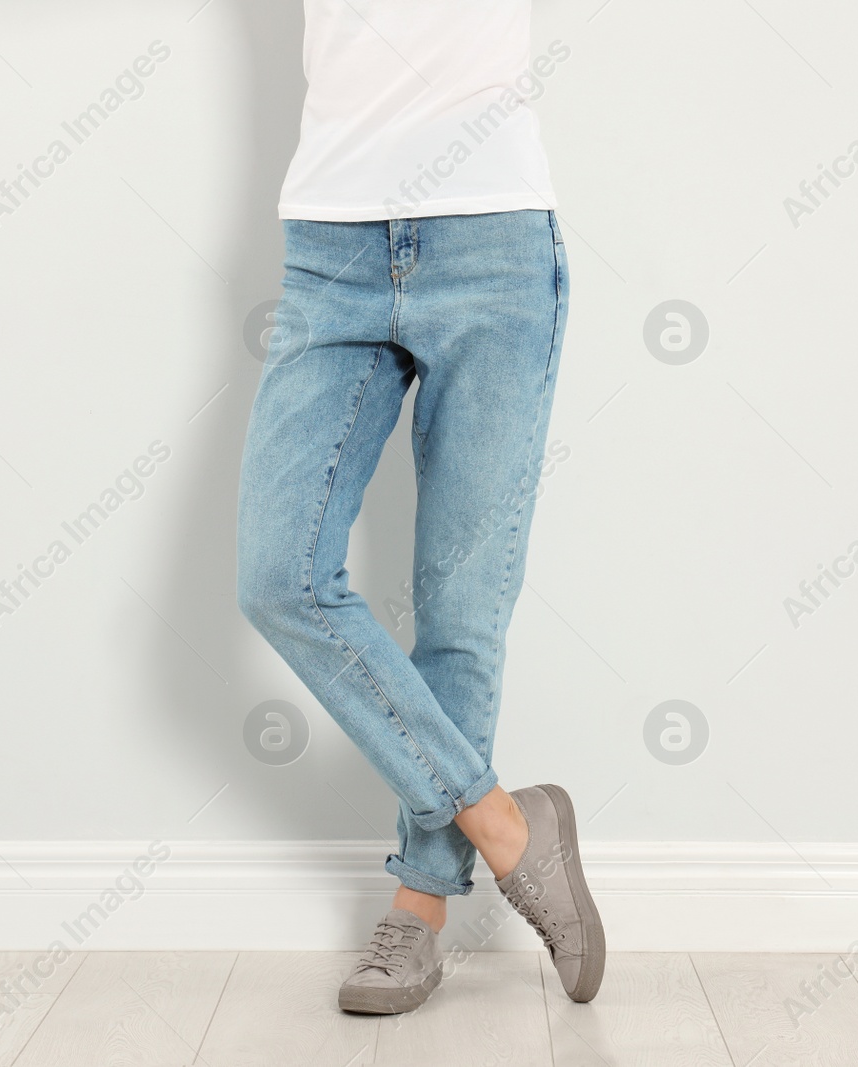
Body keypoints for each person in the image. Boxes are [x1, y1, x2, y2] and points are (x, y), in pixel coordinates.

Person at [234, 0, 603, 1014]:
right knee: (280, 576)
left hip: (492, 240)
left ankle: (418, 906)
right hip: (332, 243)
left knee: (461, 605)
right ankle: (504, 822)